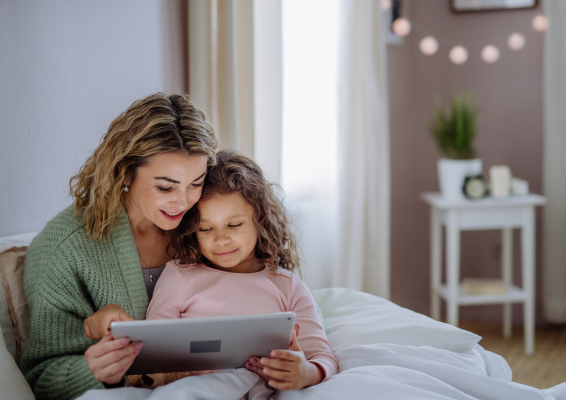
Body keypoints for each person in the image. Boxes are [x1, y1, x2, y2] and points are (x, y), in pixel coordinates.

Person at [21, 93, 219, 400]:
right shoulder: (63, 246)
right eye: (165, 186)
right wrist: (91, 372)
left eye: (196, 182)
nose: (183, 201)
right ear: (125, 172)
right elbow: (42, 377)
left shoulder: (206, 222)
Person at [147, 150, 338, 391]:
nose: (221, 239)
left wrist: (306, 373)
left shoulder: (287, 286)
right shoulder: (180, 276)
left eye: (234, 225)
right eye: (206, 229)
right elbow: (152, 348)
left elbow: (323, 357)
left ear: (259, 218)